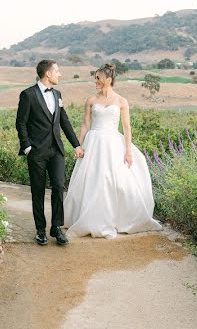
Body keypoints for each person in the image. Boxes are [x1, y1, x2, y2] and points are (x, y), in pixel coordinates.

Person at [64, 63, 162, 238]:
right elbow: (86, 125)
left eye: (98, 78)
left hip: (113, 144)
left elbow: (126, 127)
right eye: (95, 78)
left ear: (108, 79)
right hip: (93, 143)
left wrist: (128, 151)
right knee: (92, 180)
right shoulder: (91, 100)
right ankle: (90, 218)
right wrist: (78, 145)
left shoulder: (121, 101)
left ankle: (117, 218)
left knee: (116, 181)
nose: (96, 81)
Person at [15, 59, 84, 246]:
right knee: (37, 191)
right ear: (48, 74)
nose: (59, 74)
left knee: (59, 186)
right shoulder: (28, 95)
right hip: (36, 151)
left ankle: (56, 228)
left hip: (56, 150)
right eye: (57, 71)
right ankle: (40, 230)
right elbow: (20, 123)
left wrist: (76, 145)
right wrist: (27, 147)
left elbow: (64, 122)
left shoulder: (57, 94)